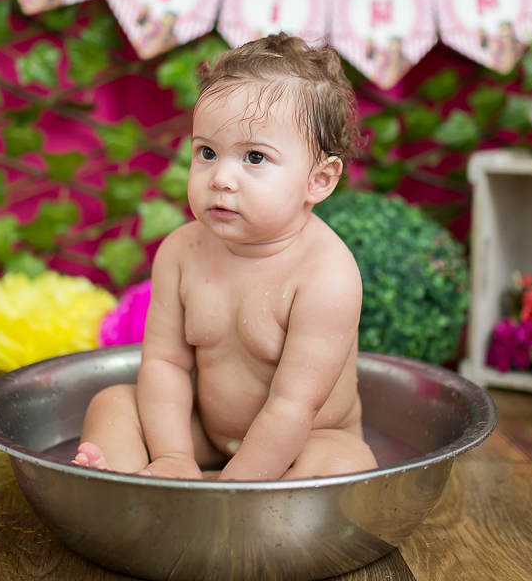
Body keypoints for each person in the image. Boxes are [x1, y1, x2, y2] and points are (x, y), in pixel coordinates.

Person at [72, 33, 378, 481]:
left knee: (343, 464)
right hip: (207, 434)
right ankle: (133, 484)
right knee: (114, 403)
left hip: (305, 440)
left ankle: (232, 499)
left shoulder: (326, 276)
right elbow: (165, 364)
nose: (221, 178)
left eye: (254, 157)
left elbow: (294, 404)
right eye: (207, 152)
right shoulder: (181, 251)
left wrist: (235, 488)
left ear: (319, 179)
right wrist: (174, 455)